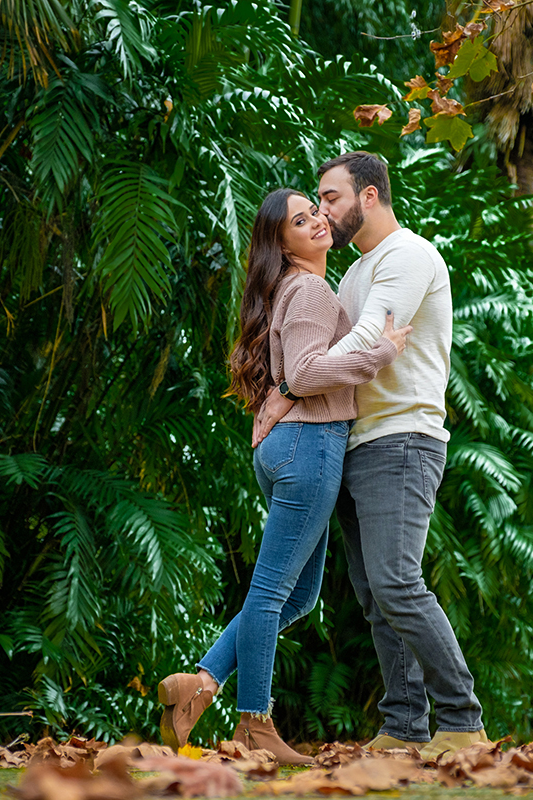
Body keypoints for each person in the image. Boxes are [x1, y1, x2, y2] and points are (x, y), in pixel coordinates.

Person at [157, 188, 412, 765]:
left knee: (296, 594)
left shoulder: (293, 289)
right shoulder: (309, 290)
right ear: (283, 243)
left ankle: (200, 684)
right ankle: (255, 725)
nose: (318, 221)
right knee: (273, 593)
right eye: (301, 220)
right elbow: (304, 371)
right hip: (311, 446)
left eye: (316, 211)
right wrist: (379, 354)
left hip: (292, 448)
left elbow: (292, 372)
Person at [253, 152, 487, 760]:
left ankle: (463, 722)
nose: (323, 211)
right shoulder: (353, 274)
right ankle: (405, 724)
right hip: (357, 440)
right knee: (372, 592)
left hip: (403, 437)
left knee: (396, 580)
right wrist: (290, 386)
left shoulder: (407, 256)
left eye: (330, 198)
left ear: (370, 197)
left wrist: (292, 384)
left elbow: (364, 344)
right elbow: (328, 358)